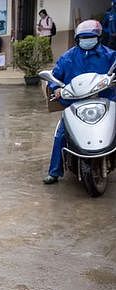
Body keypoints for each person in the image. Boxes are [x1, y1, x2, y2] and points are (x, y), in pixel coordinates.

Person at [43, 20, 116, 184]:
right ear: (77, 39)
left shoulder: (109, 55)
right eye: (83, 37)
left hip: (105, 99)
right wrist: (55, 87)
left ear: (98, 38)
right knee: (61, 133)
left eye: (90, 37)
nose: (87, 40)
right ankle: (55, 171)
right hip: (75, 104)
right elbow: (54, 77)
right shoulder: (68, 57)